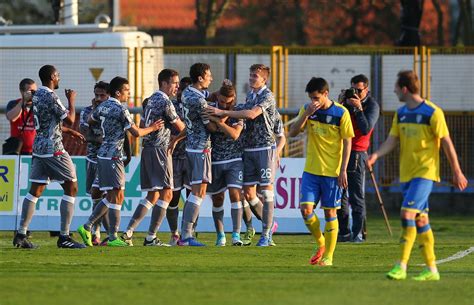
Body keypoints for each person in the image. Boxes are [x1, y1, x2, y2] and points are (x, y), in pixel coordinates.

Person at [367, 70, 468, 281]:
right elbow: (392, 140)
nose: (394, 91)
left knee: (407, 214)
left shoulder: (433, 112)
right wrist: (376, 154)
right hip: (407, 175)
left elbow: (447, 143)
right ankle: (432, 270)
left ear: (404, 88)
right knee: (421, 221)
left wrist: (457, 172)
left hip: (425, 173)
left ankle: (401, 266)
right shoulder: (401, 112)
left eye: (396, 87)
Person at [77, 76, 163, 247]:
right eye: (126, 91)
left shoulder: (103, 106)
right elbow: (136, 132)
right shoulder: (120, 109)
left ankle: (110, 235)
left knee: (115, 195)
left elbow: (90, 119)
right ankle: (89, 226)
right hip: (114, 155)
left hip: (103, 154)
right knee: (116, 194)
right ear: (118, 92)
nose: (128, 94)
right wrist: (153, 128)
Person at [206, 64, 284, 247]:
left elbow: (251, 114)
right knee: (248, 193)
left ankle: (266, 235)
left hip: (264, 148)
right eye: (250, 75)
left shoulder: (267, 96)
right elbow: (238, 109)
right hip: (248, 150)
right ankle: (259, 228)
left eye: (255, 76)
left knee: (266, 190)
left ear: (264, 79)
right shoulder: (250, 96)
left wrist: (222, 112)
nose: (251, 79)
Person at [12, 65, 85, 249]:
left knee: (35, 190)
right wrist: (71, 100)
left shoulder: (35, 95)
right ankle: (64, 237)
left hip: (38, 148)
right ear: (52, 76)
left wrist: (68, 133)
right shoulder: (51, 96)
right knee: (72, 186)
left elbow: (48, 122)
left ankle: (21, 233)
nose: (59, 77)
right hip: (54, 149)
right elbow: (68, 118)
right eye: (58, 75)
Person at [288, 77, 354, 266]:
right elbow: (293, 132)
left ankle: (328, 257)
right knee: (305, 210)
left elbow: (348, 142)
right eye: (311, 98)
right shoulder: (308, 110)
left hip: (333, 173)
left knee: (330, 213)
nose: (313, 101)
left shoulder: (341, 113)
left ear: (326, 94)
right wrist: (306, 115)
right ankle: (321, 243)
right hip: (311, 170)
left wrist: (343, 170)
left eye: (316, 97)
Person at [121, 69, 185, 246]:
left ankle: (129, 232)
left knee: (153, 194)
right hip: (160, 150)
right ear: (164, 83)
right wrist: (190, 131)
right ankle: (150, 236)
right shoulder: (165, 101)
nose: (177, 86)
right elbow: (181, 127)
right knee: (167, 193)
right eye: (174, 83)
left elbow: (143, 125)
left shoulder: (150, 100)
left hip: (148, 149)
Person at [337, 74, 380, 242]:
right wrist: (340, 104)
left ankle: (358, 233)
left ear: (366, 90)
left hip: (357, 152)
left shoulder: (372, 105)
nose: (355, 93)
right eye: (353, 89)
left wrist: (359, 110)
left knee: (356, 196)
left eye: (359, 90)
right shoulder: (346, 103)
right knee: (340, 194)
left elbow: (365, 128)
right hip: (341, 151)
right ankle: (344, 232)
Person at [177, 63, 214, 246]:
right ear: (200, 78)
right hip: (200, 148)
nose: (211, 78)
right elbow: (210, 126)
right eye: (209, 75)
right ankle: (186, 235)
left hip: (191, 146)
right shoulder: (199, 100)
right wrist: (223, 120)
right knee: (198, 191)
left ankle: (186, 233)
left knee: (196, 190)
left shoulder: (187, 93)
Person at [206, 79, 245, 246]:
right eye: (221, 101)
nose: (223, 105)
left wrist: (219, 121)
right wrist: (217, 122)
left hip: (234, 159)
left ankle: (236, 234)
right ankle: (220, 235)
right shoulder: (211, 107)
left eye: (227, 102)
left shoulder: (238, 111)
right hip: (215, 159)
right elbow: (212, 129)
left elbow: (235, 134)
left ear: (233, 99)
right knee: (217, 199)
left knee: (235, 193)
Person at [79, 81, 110, 245]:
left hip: (110, 159)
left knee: (108, 197)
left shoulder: (113, 111)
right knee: (97, 198)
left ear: (109, 95)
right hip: (93, 159)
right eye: (96, 94)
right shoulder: (86, 111)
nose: (98, 98)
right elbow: (85, 135)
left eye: (102, 95)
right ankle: (97, 233)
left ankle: (104, 233)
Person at [167, 76, 192, 245]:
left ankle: (189, 232)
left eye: (185, 90)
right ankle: (174, 233)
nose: (180, 92)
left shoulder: (196, 106)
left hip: (192, 157)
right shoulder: (170, 107)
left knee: (192, 198)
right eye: (179, 89)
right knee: (173, 198)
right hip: (174, 157)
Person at [5, 78, 37, 155]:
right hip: (16, 151)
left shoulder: (38, 105)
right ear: (22, 91)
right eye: (30, 91)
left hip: (35, 152)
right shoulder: (14, 104)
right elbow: (11, 118)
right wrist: (23, 101)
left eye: (34, 91)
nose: (33, 94)